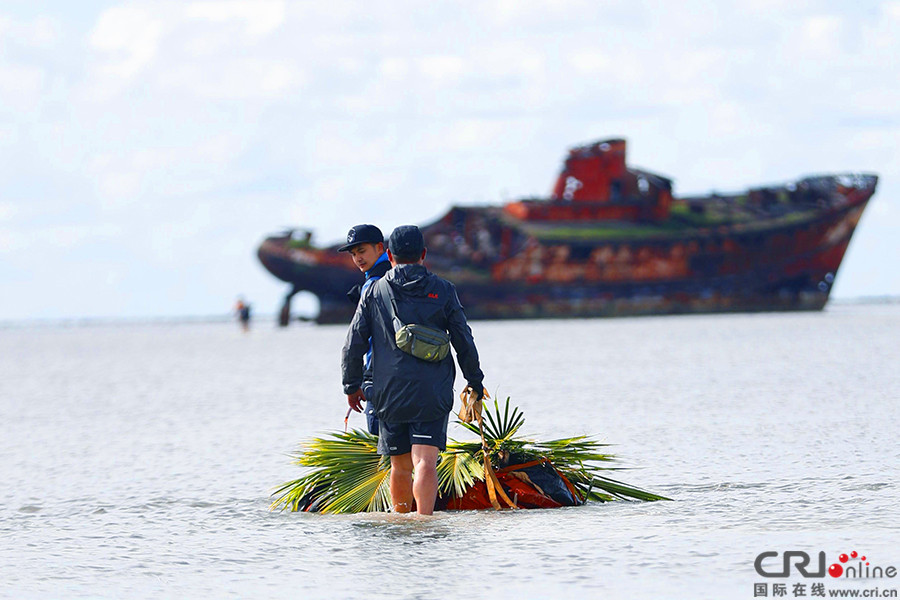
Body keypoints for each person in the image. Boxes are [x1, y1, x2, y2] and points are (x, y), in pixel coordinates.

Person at [341, 225, 485, 515]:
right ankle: (424, 521)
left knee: (400, 466)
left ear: (390, 255)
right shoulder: (443, 290)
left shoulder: (374, 290)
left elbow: (353, 342)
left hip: (388, 391)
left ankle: (401, 519)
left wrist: (351, 385)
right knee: (425, 462)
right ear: (423, 254)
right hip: (432, 390)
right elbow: (463, 340)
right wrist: (475, 380)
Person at [338, 224, 391, 435]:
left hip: (379, 377)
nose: (358, 258)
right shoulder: (397, 276)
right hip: (412, 378)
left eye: (362, 251)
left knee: (388, 458)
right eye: (353, 254)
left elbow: (355, 340)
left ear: (380, 248)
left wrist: (351, 385)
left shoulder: (373, 284)